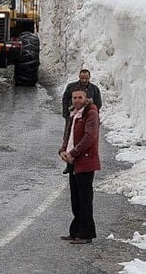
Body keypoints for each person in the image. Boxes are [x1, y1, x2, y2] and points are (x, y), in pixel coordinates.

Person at [58, 88, 101, 244]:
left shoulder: (91, 113)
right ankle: (75, 231)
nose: (77, 100)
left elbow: (89, 137)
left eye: (80, 97)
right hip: (73, 162)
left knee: (85, 199)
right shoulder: (74, 114)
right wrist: (63, 150)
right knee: (76, 199)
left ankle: (86, 234)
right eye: (74, 97)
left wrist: (73, 153)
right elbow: (68, 135)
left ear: (86, 98)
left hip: (85, 161)